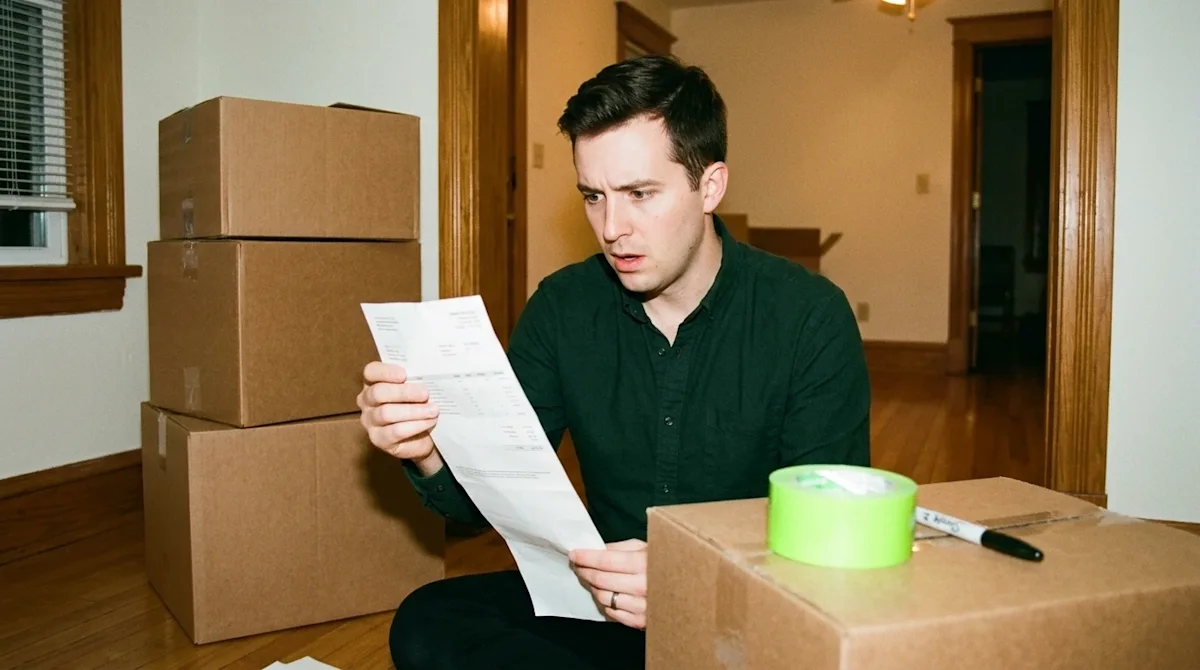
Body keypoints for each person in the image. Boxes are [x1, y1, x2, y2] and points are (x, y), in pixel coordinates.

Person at [357, 54, 870, 670]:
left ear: (710, 186)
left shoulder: (808, 316)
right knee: (428, 621)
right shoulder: (563, 307)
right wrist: (426, 450)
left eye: (639, 194)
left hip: (742, 609)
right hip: (605, 602)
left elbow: (834, 535)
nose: (612, 227)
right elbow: (475, 510)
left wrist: (693, 576)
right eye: (593, 196)